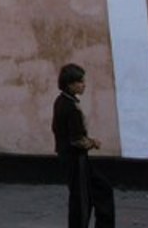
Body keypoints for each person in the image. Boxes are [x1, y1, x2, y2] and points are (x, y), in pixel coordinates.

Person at [51, 63, 114, 228]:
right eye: (79, 82)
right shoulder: (69, 107)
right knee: (81, 200)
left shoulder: (62, 101)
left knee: (101, 189)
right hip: (75, 159)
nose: (83, 84)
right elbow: (76, 139)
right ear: (70, 84)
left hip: (72, 157)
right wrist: (93, 143)